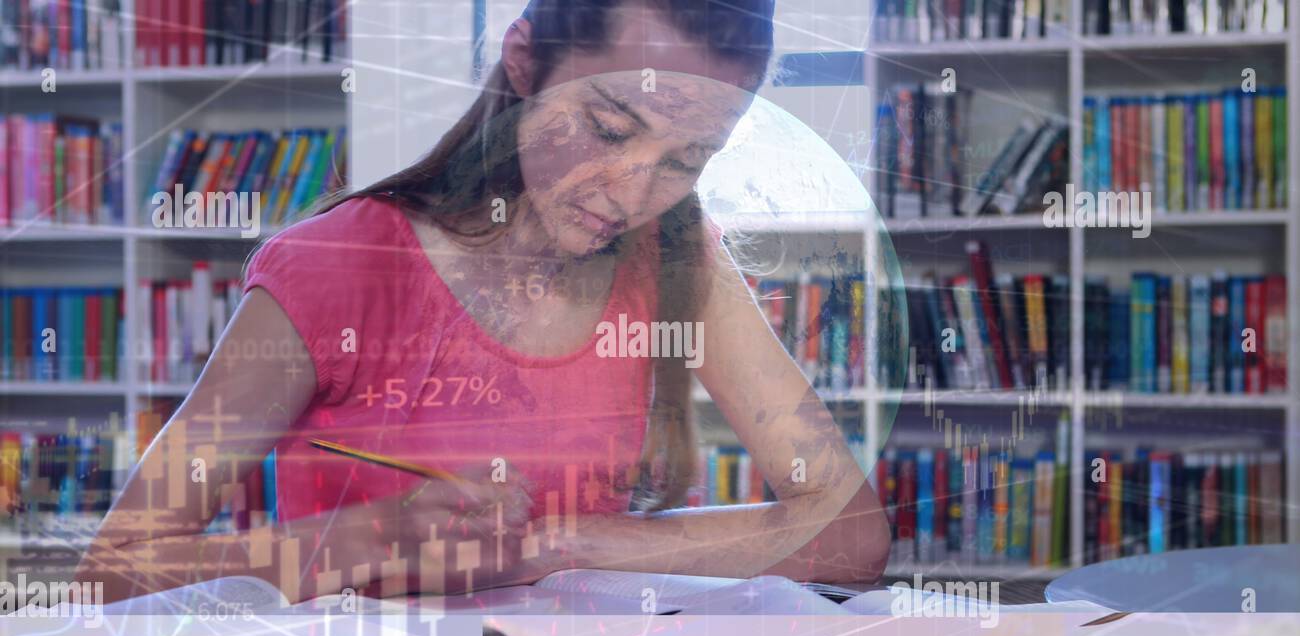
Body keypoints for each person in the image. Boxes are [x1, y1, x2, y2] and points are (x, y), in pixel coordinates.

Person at [76, 0, 889, 605]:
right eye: (609, 129)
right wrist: (375, 535)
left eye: (689, 159)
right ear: (525, 61)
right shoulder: (336, 266)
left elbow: (853, 534)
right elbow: (111, 575)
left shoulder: (677, 253)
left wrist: (571, 543)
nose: (635, 192)